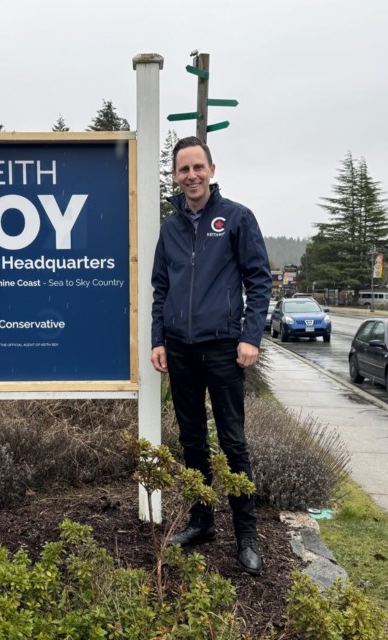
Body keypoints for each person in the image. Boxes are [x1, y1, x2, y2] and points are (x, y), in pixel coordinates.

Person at [149, 136, 272, 575]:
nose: (191, 176)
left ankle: (246, 535)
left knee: (233, 442)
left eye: (198, 167)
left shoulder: (237, 218)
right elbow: (160, 287)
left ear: (212, 170)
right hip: (180, 349)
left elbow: (259, 281)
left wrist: (250, 337)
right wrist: (158, 339)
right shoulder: (170, 226)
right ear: (176, 176)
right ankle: (202, 522)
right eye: (183, 170)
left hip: (223, 347)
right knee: (191, 441)